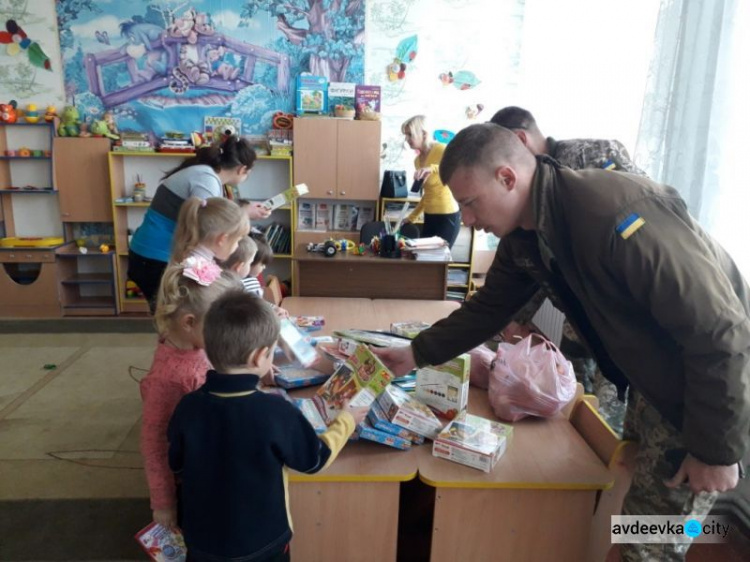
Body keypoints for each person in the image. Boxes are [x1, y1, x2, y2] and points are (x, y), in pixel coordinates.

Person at [374, 123, 749, 562]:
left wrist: (716, 450)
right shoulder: (525, 233)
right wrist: (414, 354)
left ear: (507, 178)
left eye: (470, 203)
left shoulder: (613, 216)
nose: (468, 220)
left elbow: (720, 331)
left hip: (704, 393)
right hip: (657, 385)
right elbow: (488, 308)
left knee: (646, 550)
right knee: (634, 522)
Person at [167, 292, 368, 561]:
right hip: (263, 542)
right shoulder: (276, 411)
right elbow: (314, 460)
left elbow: (177, 464)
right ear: (261, 356)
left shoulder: (187, 406)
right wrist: (347, 421)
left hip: (201, 540)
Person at [490, 105, 648, 436]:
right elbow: (534, 255)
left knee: (607, 413)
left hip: (620, 314)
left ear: (521, 139)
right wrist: (517, 316)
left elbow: (642, 213)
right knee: (567, 390)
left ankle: (595, 474)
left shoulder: (595, 155)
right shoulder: (526, 189)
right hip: (578, 312)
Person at [140, 260, 242, 532]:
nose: (227, 335)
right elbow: (154, 446)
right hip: (192, 481)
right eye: (220, 327)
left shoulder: (194, 344)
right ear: (189, 323)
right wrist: (163, 503)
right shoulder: (167, 378)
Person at [128, 136, 271, 311]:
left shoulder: (204, 173)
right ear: (242, 169)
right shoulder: (206, 180)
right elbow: (211, 223)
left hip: (152, 253)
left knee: (173, 315)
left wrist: (244, 210)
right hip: (156, 257)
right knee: (174, 317)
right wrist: (245, 213)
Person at [401, 115, 461, 247]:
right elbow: (428, 194)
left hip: (448, 215)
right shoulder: (417, 161)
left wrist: (432, 168)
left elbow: (457, 167)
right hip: (429, 216)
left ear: (423, 134)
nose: (407, 139)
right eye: (406, 135)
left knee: (439, 261)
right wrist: (412, 217)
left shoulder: (441, 149)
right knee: (424, 260)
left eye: (410, 134)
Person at [171, 196, 249, 266]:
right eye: (237, 241)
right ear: (222, 239)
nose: (237, 246)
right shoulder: (198, 270)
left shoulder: (191, 257)